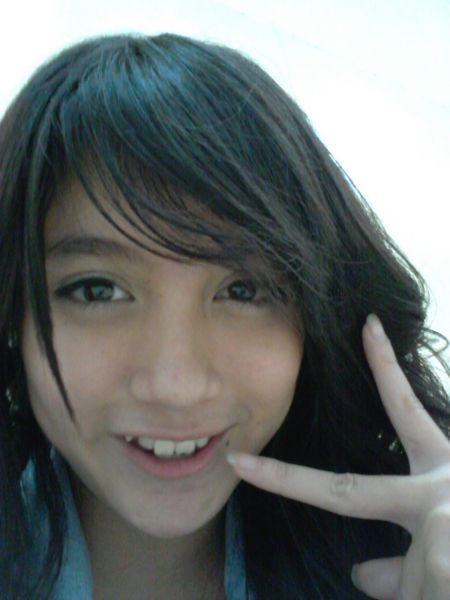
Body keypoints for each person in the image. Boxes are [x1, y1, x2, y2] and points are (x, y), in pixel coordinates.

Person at [0, 32, 449, 600]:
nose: (176, 387)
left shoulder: (408, 562)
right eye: (96, 290)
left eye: (243, 289)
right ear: (13, 316)